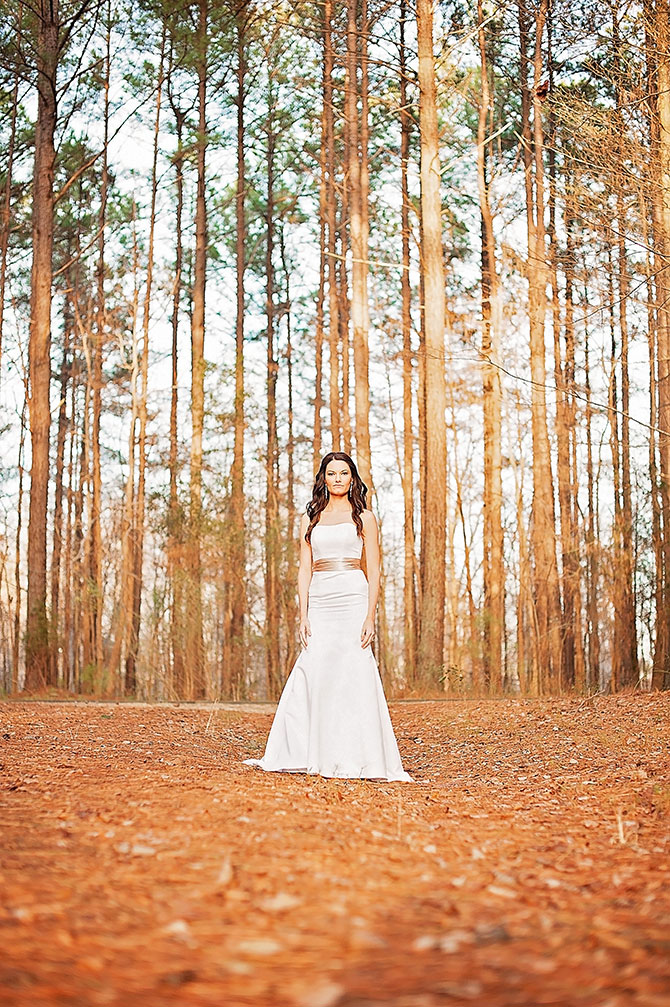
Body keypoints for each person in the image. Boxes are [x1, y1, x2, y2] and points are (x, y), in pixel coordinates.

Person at [244, 451, 412, 782]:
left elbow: (375, 570)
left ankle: (358, 755)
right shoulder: (311, 518)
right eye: (331, 473)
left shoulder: (365, 517)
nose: (337, 479)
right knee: (314, 665)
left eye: (344, 473)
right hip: (320, 597)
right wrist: (304, 614)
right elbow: (304, 568)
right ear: (324, 478)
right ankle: (305, 751)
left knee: (353, 669)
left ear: (353, 479)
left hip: (353, 593)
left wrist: (370, 616)